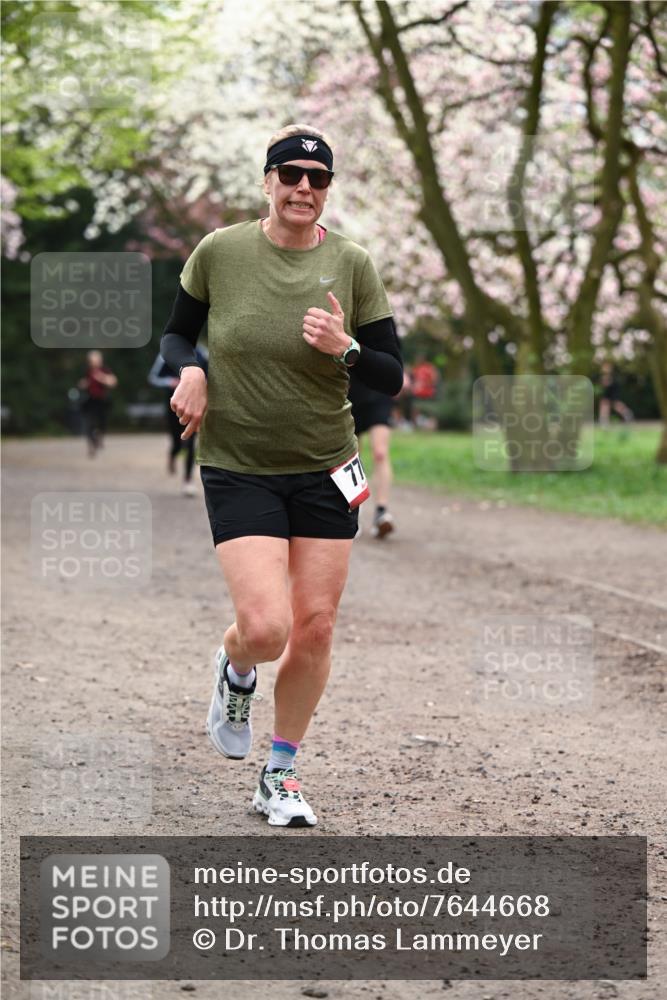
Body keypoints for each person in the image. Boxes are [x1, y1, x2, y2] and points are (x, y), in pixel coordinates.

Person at [160, 124, 403, 828]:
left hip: (326, 464)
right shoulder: (222, 252)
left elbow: (388, 369)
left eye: (317, 179)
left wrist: (346, 346)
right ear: (266, 182)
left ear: (327, 190)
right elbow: (177, 332)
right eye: (289, 175)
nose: (303, 188)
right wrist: (193, 368)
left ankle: (280, 772)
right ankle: (236, 667)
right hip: (240, 463)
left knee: (317, 627)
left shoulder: (353, 265)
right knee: (266, 629)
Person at [148, 346, 209, 496]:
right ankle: (173, 454)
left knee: (190, 441)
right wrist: (170, 381)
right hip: (173, 405)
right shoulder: (167, 353)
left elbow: (210, 376)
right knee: (177, 441)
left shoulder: (202, 353)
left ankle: (188, 481)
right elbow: (153, 377)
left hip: (193, 403)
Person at [348, 371, 396, 538]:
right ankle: (354, 512)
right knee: (351, 456)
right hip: (348, 390)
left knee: (380, 452)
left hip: (379, 391)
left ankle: (381, 512)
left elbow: (393, 350)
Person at [78, 350, 117, 457]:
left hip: (102, 400)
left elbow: (113, 382)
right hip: (90, 400)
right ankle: (91, 446)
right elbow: (81, 383)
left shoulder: (105, 370)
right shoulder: (87, 371)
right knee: (89, 424)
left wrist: (101, 378)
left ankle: (98, 438)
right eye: (93, 360)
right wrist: (83, 384)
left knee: (102, 423)